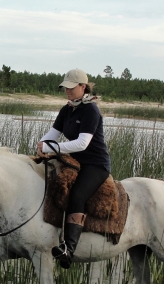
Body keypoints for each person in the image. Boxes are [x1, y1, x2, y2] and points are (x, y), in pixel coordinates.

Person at [36, 68, 111, 268]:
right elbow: (53, 133)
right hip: (73, 160)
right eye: (65, 88)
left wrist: (54, 148)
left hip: (95, 164)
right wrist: (41, 144)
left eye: (70, 87)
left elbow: (82, 143)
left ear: (82, 87)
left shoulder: (91, 110)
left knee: (77, 195)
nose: (67, 91)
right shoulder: (67, 109)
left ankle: (68, 249)